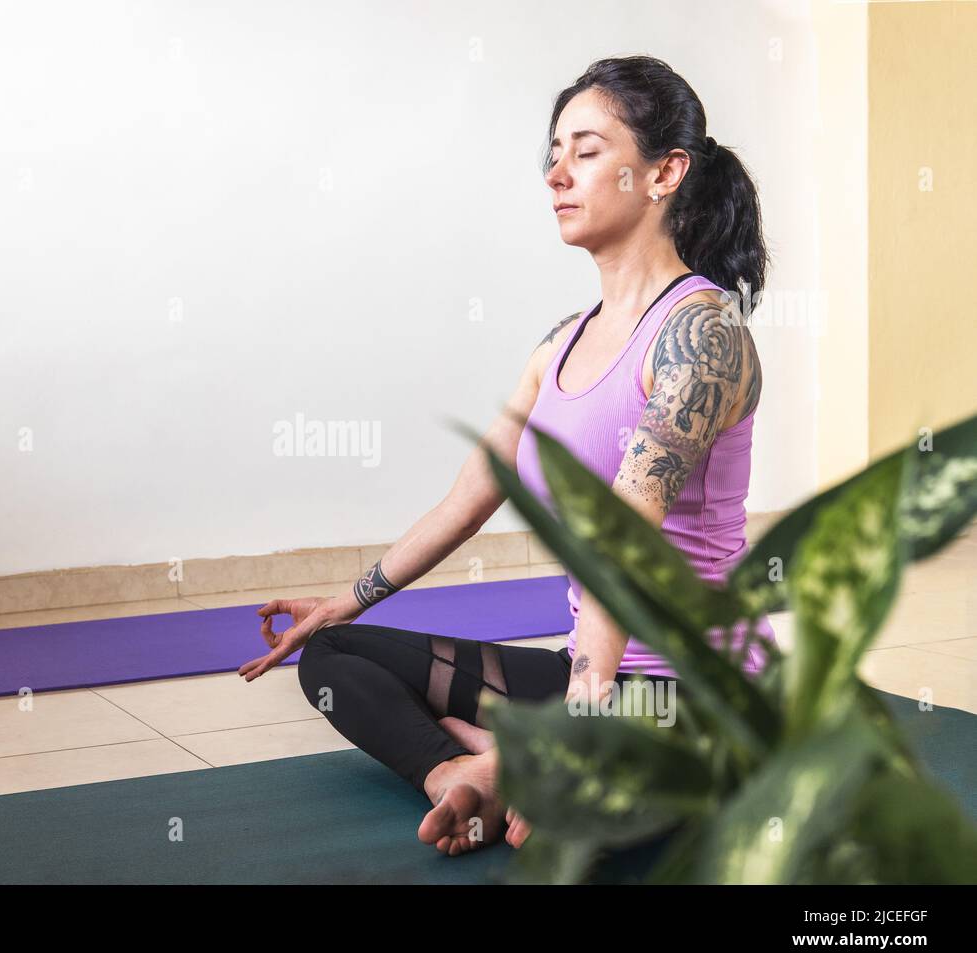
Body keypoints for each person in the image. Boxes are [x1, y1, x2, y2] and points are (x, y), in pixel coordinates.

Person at [238, 55, 777, 857]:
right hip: (590, 674)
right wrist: (346, 600)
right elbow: (469, 495)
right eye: (553, 153)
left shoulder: (703, 337)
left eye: (586, 151)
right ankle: (460, 771)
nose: (557, 173)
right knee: (335, 657)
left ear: (664, 172)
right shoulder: (559, 345)